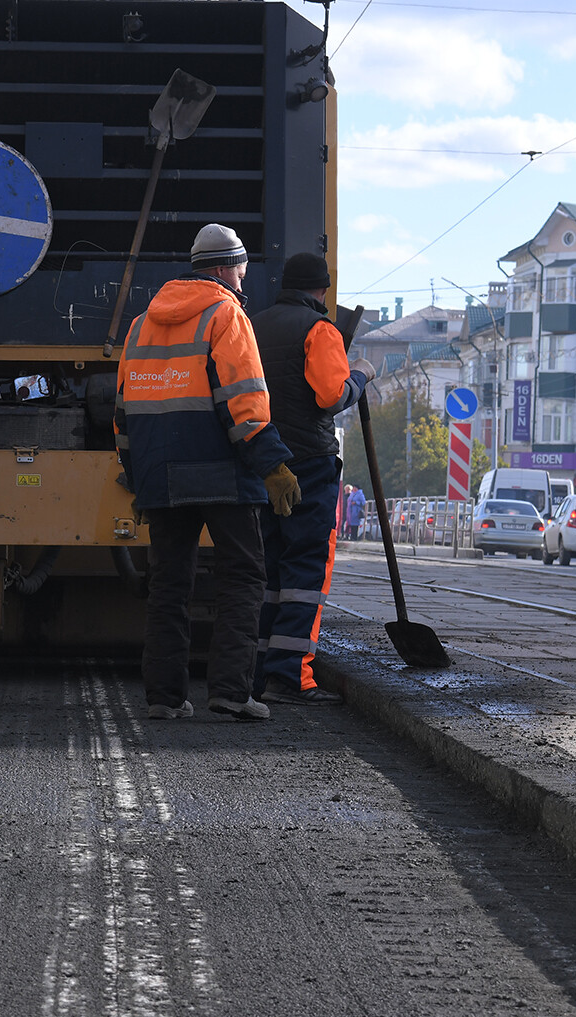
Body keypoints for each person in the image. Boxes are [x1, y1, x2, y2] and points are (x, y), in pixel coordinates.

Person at [115, 224, 300, 723]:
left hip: (161, 475)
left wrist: (135, 476)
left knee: (168, 585)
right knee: (241, 576)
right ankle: (231, 691)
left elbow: (123, 412)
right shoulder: (225, 315)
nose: (243, 279)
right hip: (222, 473)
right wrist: (273, 464)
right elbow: (244, 400)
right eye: (240, 268)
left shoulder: (139, 327)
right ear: (223, 269)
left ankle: (164, 697)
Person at [249, 251, 372, 704]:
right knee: (305, 571)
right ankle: (291, 675)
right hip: (309, 464)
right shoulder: (320, 330)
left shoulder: (253, 325)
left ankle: (260, 673)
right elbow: (330, 395)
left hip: (263, 462)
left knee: (269, 572)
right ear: (322, 290)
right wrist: (360, 375)